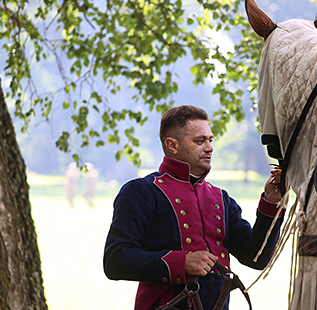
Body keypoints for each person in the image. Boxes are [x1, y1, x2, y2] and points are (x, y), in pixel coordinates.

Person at [103, 105, 284, 310]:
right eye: (200, 141)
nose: (209, 148)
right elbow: (115, 260)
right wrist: (183, 263)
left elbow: (256, 258)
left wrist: (271, 202)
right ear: (172, 145)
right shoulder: (142, 191)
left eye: (210, 140)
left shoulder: (221, 198)